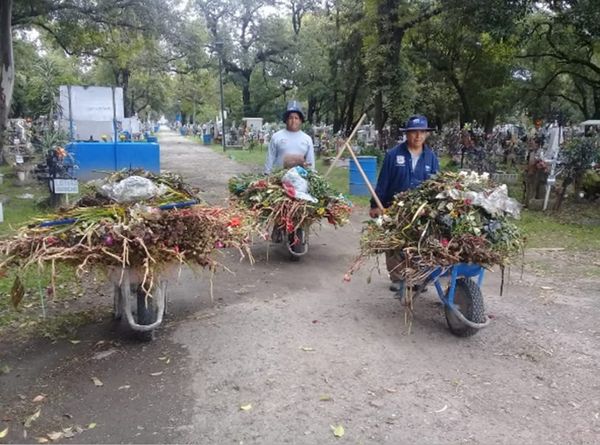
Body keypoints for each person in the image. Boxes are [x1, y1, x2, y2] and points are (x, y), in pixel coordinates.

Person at [369, 115, 440, 295]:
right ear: (407, 134)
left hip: (420, 210)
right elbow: (383, 181)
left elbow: (435, 185)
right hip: (394, 207)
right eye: (414, 132)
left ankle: (416, 277)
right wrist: (375, 204)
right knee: (394, 242)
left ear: (426, 134)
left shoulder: (431, 158)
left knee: (418, 242)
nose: (418, 136)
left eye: (422, 132)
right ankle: (398, 278)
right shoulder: (393, 155)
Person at [264, 100, 315, 174]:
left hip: (300, 179)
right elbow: (270, 158)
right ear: (286, 120)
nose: (293, 121)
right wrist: (266, 173)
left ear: (300, 121)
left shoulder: (307, 139)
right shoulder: (277, 137)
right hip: (278, 179)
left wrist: (311, 175)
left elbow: (310, 162)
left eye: (296, 118)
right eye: (290, 118)